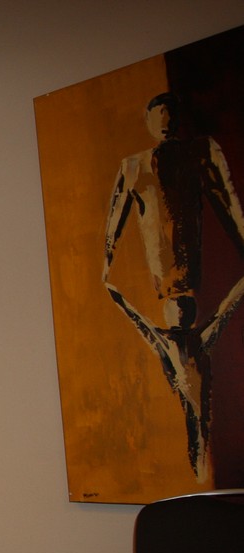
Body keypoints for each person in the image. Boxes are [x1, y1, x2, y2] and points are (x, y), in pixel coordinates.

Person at [103, 92, 244, 480]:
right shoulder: (133, 166)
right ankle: (198, 462)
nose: (165, 124)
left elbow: (227, 202)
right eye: (158, 117)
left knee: (196, 414)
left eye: (169, 117)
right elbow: (115, 222)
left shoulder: (200, 153)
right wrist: (109, 271)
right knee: (195, 414)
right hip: (169, 294)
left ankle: (198, 463)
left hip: (181, 293)